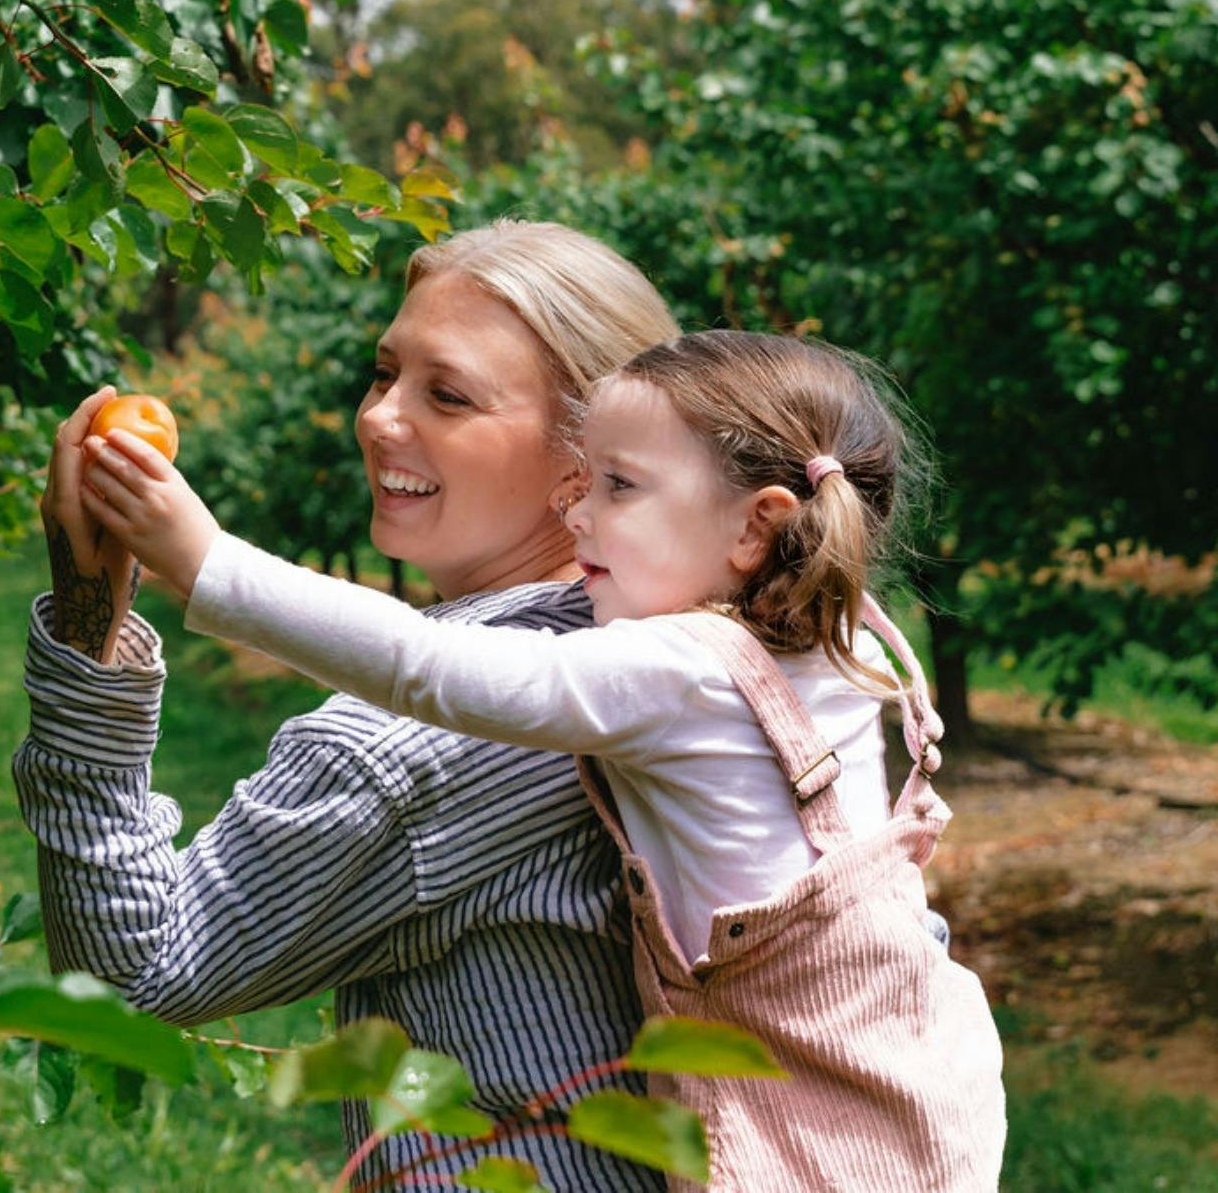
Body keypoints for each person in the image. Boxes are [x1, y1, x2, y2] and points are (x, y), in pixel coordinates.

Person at [79, 330, 1008, 1190]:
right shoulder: (854, 643)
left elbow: (427, 667)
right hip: (907, 1074)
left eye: (617, 486)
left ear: (754, 528)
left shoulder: (675, 669)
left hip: (787, 1106)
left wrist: (203, 560)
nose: (579, 510)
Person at [15, 221, 681, 1189]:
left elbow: (135, 973)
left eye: (445, 394)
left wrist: (88, 613)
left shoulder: (420, 743)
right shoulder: (667, 657)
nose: (376, 418)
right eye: (384, 374)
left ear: (589, 463)